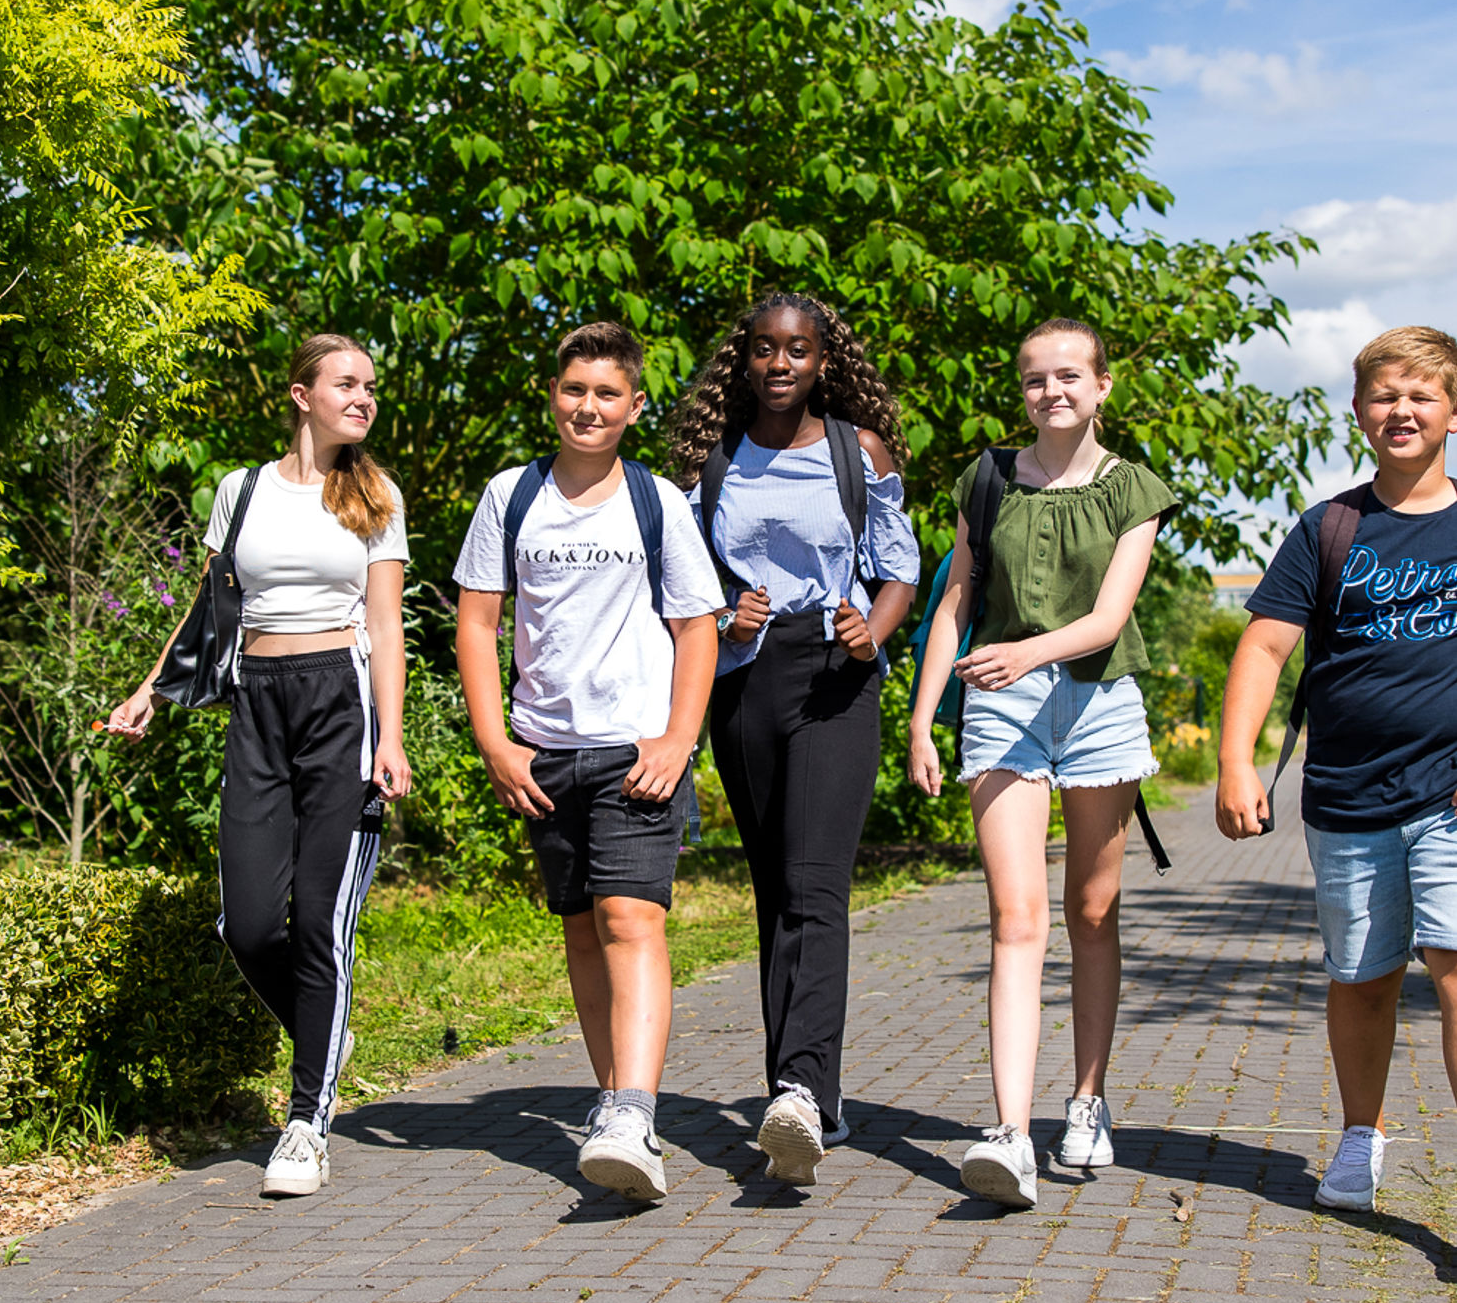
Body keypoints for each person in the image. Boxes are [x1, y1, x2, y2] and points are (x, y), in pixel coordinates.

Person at [107, 333, 411, 1198]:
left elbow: (384, 626)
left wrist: (390, 736)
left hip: (339, 705)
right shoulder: (240, 490)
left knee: (321, 923)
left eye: (371, 387)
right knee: (245, 923)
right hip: (257, 702)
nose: (364, 397)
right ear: (301, 394)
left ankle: (306, 1124)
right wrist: (149, 691)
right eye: (347, 383)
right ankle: (322, 1029)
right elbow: (210, 607)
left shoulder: (376, 494)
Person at [908, 319, 1175, 1210]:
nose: (1051, 391)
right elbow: (954, 604)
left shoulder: (1134, 488)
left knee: (1091, 911)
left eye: (1068, 376)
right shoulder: (986, 480)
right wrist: (920, 722)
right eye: (1034, 379)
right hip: (1001, 705)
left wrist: (1026, 654)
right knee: (1016, 919)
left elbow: (1107, 619)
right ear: (1020, 391)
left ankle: (1088, 1100)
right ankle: (1010, 1133)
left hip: (1100, 700)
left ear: (1102, 387)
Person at [454, 321, 723, 1202]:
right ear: (555, 395)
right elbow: (479, 623)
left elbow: (696, 627)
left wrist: (678, 741)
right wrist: (495, 742)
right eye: (575, 390)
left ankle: (633, 1115)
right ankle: (614, 1103)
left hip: (637, 749)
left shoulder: (657, 502)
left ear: (635, 407)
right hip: (543, 754)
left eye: (608, 394)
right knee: (579, 927)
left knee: (630, 919)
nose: (589, 407)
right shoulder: (511, 496)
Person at [670, 292, 919, 1186]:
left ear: (824, 361)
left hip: (833, 673)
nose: (780, 364)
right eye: (765, 351)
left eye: (799, 351)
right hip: (744, 676)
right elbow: (687, 577)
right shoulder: (711, 463)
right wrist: (725, 618)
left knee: (816, 884)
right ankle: (816, 1093)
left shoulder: (860, 452)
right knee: (776, 889)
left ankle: (798, 1093)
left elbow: (901, 567)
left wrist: (875, 631)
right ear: (744, 362)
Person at [1217, 325, 1457, 1212]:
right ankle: (1363, 1136)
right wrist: (1236, 761)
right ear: (1358, 412)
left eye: (1421, 395)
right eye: (1385, 395)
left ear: (1453, 412)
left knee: (1456, 963)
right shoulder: (1329, 528)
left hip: (1451, 794)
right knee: (1362, 979)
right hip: (1348, 795)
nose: (1402, 409)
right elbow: (1267, 645)